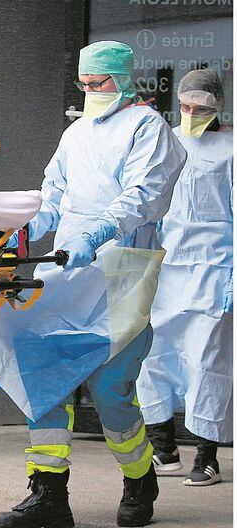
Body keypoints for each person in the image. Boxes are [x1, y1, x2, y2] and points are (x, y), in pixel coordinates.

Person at [0, 41, 186, 528]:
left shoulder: (149, 129)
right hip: (67, 272)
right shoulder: (76, 133)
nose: (90, 91)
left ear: (123, 79)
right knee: (40, 371)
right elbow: (53, 197)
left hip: (119, 274)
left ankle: (140, 479)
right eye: (83, 84)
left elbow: (144, 196)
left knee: (110, 391)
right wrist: (19, 232)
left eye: (99, 83)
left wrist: (97, 233)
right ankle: (48, 494)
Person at [136, 69, 233, 486]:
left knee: (207, 359)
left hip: (214, 269)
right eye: (186, 107)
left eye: (201, 108)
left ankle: (207, 456)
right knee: (154, 356)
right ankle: (164, 448)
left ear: (218, 107)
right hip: (168, 268)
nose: (192, 114)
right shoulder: (168, 142)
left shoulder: (231, 148)